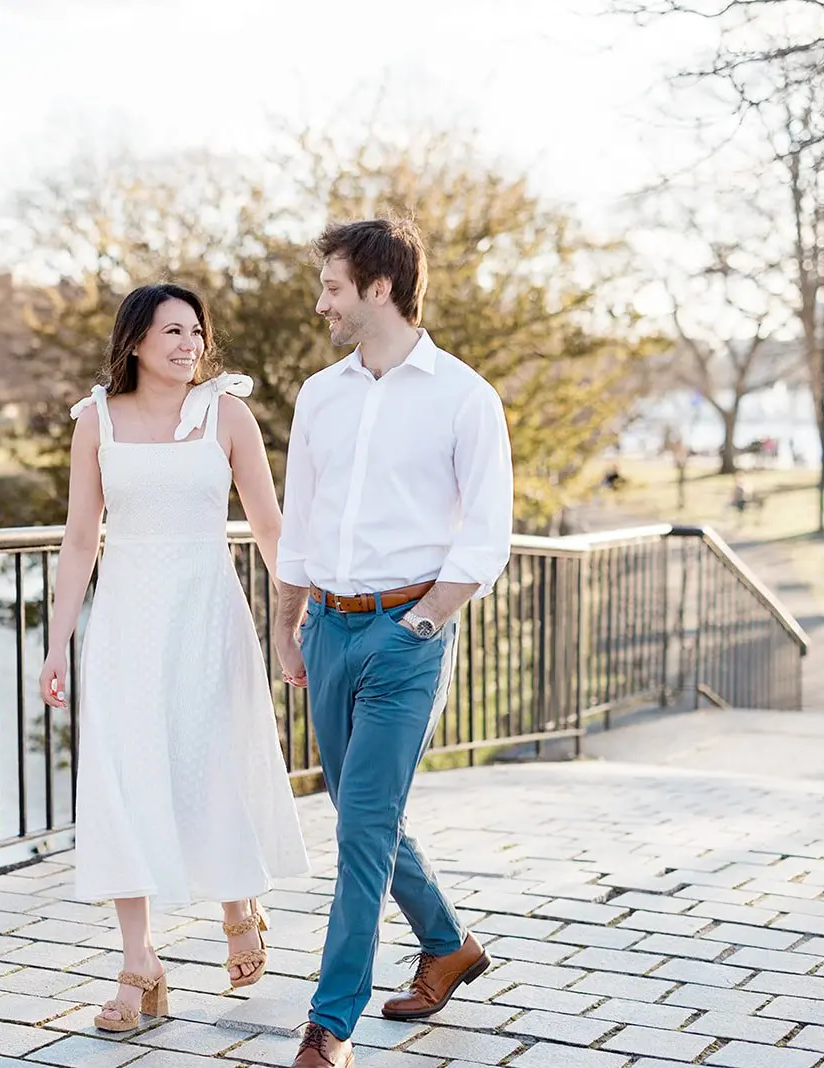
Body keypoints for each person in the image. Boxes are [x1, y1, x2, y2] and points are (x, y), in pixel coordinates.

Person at [272, 219, 514, 1068]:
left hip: (407, 635)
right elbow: (297, 522)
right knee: (359, 812)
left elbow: (486, 536)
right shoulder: (319, 394)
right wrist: (287, 624)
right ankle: (448, 945)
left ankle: (328, 1024)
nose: (320, 303)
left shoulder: (463, 396)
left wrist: (423, 622)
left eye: (333, 287)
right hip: (328, 628)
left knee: (362, 826)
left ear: (379, 288)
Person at [38, 283, 309, 1033]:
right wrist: (57, 642)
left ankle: (237, 904)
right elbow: (78, 537)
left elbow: (269, 524)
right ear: (133, 343)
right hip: (126, 622)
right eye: (171, 332)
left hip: (207, 615)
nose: (189, 344)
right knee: (124, 778)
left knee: (211, 757)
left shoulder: (228, 413)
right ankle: (140, 964)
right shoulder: (95, 421)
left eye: (196, 331)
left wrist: (296, 621)